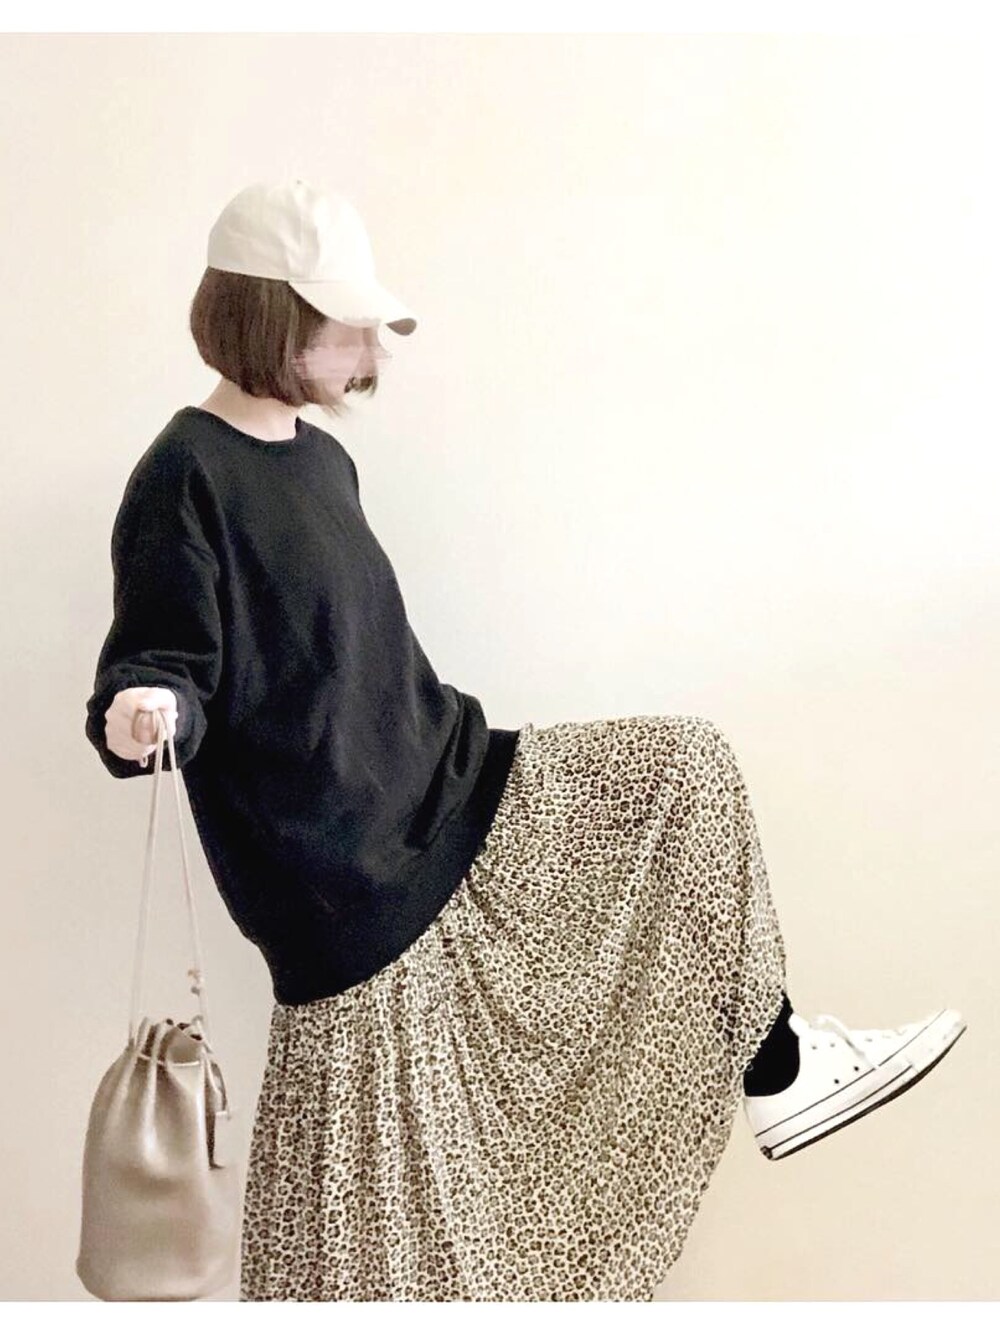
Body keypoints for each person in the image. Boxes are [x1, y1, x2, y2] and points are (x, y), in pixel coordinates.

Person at [84, 179, 967, 1302]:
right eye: (346, 323)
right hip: (341, 872)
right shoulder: (184, 474)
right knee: (381, 1254)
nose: (371, 351)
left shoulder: (321, 460)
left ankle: (779, 1064)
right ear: (268, 313)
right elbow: (163, 657)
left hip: (438, 782)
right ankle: (781, 1063)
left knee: (680, 767)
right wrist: (143, 704)